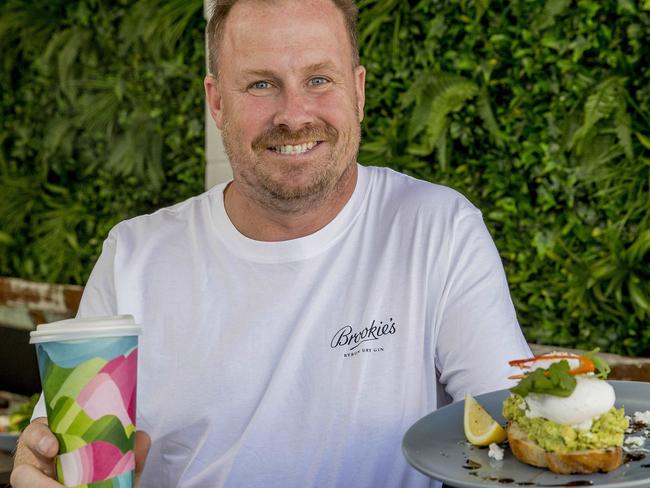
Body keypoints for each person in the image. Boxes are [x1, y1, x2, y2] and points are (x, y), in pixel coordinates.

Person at [12, 0, 531, 486]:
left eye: (319, 79)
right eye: (261, 84)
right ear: (217, 102)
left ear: (359, 90)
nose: (294, 113)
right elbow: (62, 452)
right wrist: (41, 464)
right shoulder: (134, 257)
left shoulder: (437, 229)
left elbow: (516, 430)